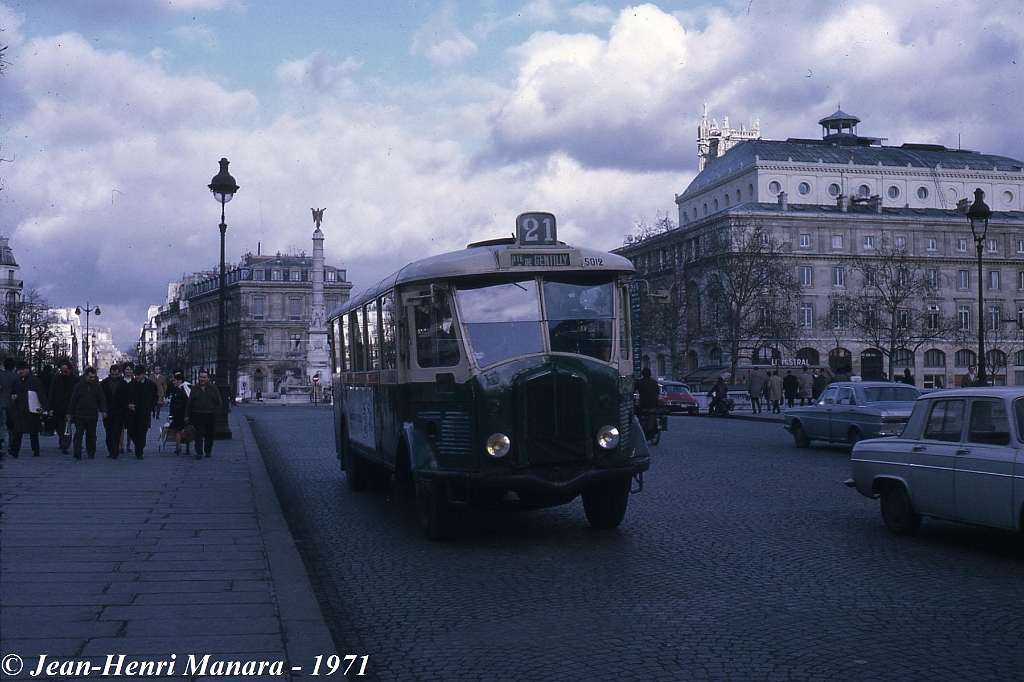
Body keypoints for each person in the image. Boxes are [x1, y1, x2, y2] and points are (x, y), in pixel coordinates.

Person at [10, 361, 50, 458]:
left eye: (23, 369)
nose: (21, 371)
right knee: (18, 431)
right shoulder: (16, 382)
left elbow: (41, 393)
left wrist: (43, 406)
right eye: (19, 370)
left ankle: (36, 450)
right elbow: (12, 393)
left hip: (32, 408)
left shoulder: (34, 380)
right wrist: (13, 398)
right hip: (20, 408)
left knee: (33, 431)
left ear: (28, 370)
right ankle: (15, 451)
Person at [66, 366, 107, 460]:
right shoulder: (79, 386)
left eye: (93, 377)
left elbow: (102, 399)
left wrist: (103, 410)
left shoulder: (97, 387)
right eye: (90, 377)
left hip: (92, 414)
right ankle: (77, 452)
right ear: (85, 376)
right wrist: (69, 413)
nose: (92, 379)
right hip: (79, 414)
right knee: (79, 433)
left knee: (91, 434)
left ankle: (91, 452)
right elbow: (73, 400)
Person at [185, 370, 221, 459]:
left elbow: (218, 402)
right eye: (201, 377)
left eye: (204, 377)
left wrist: (215, 412)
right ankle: (199, 452)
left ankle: (208, 450)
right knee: (198, 434)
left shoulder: (213, 388)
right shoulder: (194, 388)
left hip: (210, 415)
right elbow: (189, 403)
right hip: (197, 414)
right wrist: (187, 415)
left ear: (208, 378)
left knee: (209, 434)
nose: (202, 379)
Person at [125, 364, 157, 459]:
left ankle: (139, 450)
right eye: (136, 374)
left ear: (144, 374)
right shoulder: (130, 385)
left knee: (142, 432)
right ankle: (139, 445)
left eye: (139, 374)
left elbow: (155, 398)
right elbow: (125, 398)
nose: (137, 377)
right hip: (132, 413)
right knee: (132, 431)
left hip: (144, 413)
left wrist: (150, 407)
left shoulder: (151, 385)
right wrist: (128, 405)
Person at [48, 359, 79, 454]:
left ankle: (65, 444)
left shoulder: (76, 380)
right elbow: (52, 393)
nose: (64, 372)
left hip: (70, 406)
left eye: (65, 370)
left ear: (70, 370)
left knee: (67, 427)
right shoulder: (56, 379)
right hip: (58, 406)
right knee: (60, 427)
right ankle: (62, 441)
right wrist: (50, 407)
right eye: (62, 370)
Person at [100, 364, 129, 459]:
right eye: (113, 374)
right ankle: (110, 449)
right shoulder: (104, 383)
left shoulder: (123, 383)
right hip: (107, 411)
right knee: (109, 431)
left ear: (119, 373)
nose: (114, 376)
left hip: (119, 411)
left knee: (116, 431)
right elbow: (101, 397)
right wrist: (102, 409)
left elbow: (126, 398)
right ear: (110, 373)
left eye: (116, 374)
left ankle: (115, 450)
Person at [167, 371, 191, 455]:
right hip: (178, 414)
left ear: (180, 381)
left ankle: (182, 446)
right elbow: (172, 402)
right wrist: (171, 413)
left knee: (183, 430)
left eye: (175, 380)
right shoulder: (177, 389)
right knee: (178, 430)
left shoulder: (186, 388)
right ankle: (177, 447)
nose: (174, 382)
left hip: (184, 413)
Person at [0, 358, 16, 458]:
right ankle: (11, 442)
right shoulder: (16, 376)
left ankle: (1, 439)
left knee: (1, 423)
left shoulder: (1, 375)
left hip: (1, 402)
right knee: (12, 425)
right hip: (13, 403)